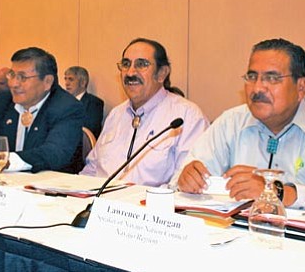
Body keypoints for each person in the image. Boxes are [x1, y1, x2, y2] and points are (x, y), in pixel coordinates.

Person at [173, 38, 305, 214]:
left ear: (300, 87)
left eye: (272, 78)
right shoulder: (230, 122)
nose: (258, 88)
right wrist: (187, 181)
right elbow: (177, 183)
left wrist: (277, 192)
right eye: (252, 77)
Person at [80, 38, 209, 186]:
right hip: (100, 205)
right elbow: (91, 170)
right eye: (126, 64)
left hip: (150, 206)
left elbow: (187, 184)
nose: (130, 72)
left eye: (141, 65)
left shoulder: (187, 116)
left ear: (161, 73)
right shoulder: (115, 115)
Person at [0, 47, 84, 173]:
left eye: (22, 77)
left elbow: (54, 153)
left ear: (47, 82)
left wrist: (5, 161)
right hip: (4, 184)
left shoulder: (66, 107)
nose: (13, 84)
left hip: (48, 186)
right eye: (12, 75)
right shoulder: (1, 102)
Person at [64, 66, 104, 138]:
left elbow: (89, 132)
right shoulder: (63, 102)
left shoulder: (94, 103)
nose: (67, 83)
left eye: (71, 79)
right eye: (65, 79)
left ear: (83, 82)